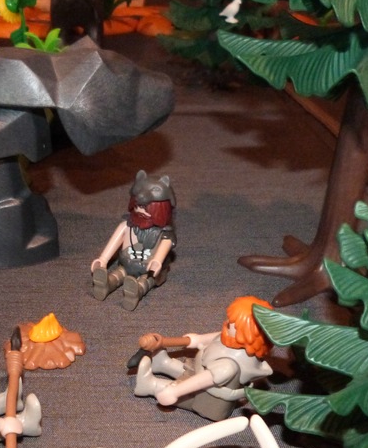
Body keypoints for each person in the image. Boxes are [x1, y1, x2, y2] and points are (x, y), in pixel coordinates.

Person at [134, 296, 274, 421]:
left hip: (207, 400)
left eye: (232, 323)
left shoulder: (228, 366)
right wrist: (195, 340)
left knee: (183, 388)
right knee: (188, 371)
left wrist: (175, 392)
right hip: (201, 370)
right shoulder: (232, 338)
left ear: (246, 334)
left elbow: (202, 381)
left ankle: (149, 385)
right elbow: (213, 337)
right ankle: (163, 364)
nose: (227, 322)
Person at [91, 170, 176, 310]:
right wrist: (103, 259)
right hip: (127, 263)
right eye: (137, 207)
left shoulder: (164, 234)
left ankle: (137, 291)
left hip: (148, 268)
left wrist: (156, 262)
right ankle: (106, 284)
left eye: (145, 208)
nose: (140, 211)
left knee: (146, 280)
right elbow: (115, 241)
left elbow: (163, 248)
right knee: (119, 273)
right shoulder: (127, 226)